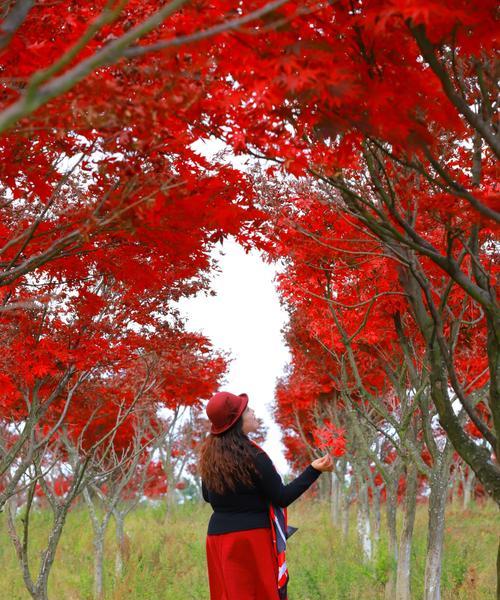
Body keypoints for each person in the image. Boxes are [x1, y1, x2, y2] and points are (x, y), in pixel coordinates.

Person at [198, 390, 334, 600]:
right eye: (247, 410)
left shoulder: (209, 456)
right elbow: (281, 497)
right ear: (236, 421)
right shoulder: (255, 457)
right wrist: (313, 470)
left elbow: (208, 496)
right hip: (251, 539)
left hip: (217, 537)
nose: (252, 412)